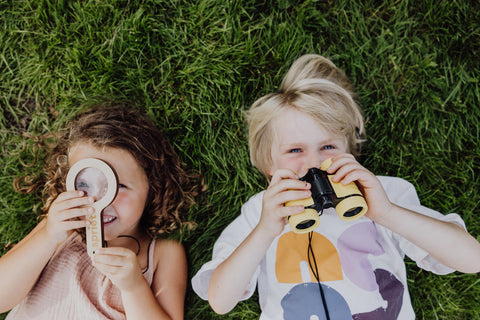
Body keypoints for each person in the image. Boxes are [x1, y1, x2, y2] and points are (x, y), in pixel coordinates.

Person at [191, 54, 480, 319]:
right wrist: (266, 229)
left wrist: (386, 212)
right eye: (295, 151)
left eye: (328, 146)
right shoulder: (261, 212)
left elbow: (471, 258)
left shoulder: (382, 193)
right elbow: (220, 300)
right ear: (270, 167)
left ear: (349, 152)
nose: (313, 164)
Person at [0, 102, 201, 320]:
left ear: (152, 187)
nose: (98, 201)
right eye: (84, 185)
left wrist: (134, 287)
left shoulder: (162, 253)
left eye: (119, 186)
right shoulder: (59, 230)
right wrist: (48, 236)